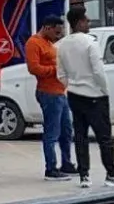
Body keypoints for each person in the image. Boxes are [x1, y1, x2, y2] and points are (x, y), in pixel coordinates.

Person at [57, 5, 114, 189]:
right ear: (80, 22)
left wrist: (72, 86)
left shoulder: (61, 45)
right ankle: (111, 173)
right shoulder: (91, 43)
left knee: (80, 137)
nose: (89, 23)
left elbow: (60, 74)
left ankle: (84, 175)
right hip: (95, 95)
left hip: (74, 95)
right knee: (104, 137)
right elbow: (98, 71)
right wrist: (104, 90)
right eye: (87, 20)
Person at [25, 14, 76, 181]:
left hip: (60, 92)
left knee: (66, 131)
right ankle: (51, 168)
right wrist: (56, 69)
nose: (58, 36)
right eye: (56, 32)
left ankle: (66, 163)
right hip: (48, 93)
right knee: (52, 132)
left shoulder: (48, 43)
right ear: (47, 27)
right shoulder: (34, 43)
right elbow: (34, 68)